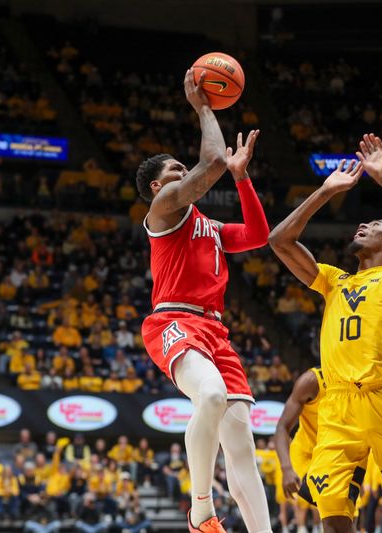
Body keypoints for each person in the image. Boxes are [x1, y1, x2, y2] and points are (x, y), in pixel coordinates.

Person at [268, 133, 382, 533]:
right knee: (331, 519)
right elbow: (278, 240)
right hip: (337, 408)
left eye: (375, 224)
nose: (362, 224)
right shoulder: (333, 281)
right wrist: (324, 190)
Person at [136, 69, 270, 533]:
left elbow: (257, 234)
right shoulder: (164, 210)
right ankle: (199, 511)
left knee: (243, 448)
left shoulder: (209, 226)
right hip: (173, 319)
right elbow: (210, 161)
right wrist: (203, 108)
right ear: (158, 187)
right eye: (174, 170)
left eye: (181, 167)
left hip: (216, 331)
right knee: (210, 395)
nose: (182, 173)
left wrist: (242, 177)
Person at [273, 367, 326, 533]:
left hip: (333, 454)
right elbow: (282, 427)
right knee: (304, 503)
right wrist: (286, 468)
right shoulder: (311, 380)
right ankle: (300, 528)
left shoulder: (358, 381)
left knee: (345, 511)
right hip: (305, 454)